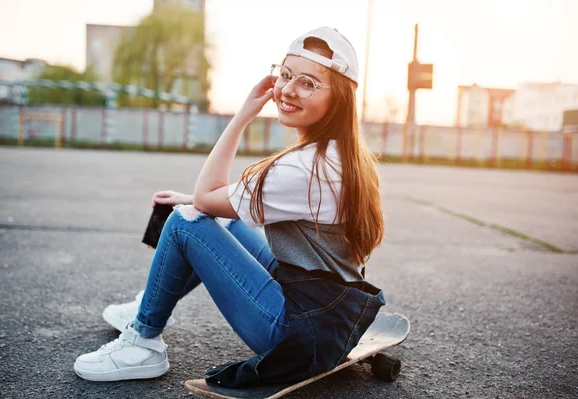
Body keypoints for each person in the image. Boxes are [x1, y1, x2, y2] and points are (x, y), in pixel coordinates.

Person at [74, 26, 386, 387]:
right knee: (224, 221)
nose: (287, 89)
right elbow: (215, 200)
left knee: (185, 222)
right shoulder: (344, 156)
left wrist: (242, 116)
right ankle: (154, 301)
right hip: (331, 315)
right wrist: (196, 200)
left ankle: (143, 341)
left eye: (308, 83)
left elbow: (207, 197)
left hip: (296, 332)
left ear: (340, 98)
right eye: (285, 75)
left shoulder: (305, 167)